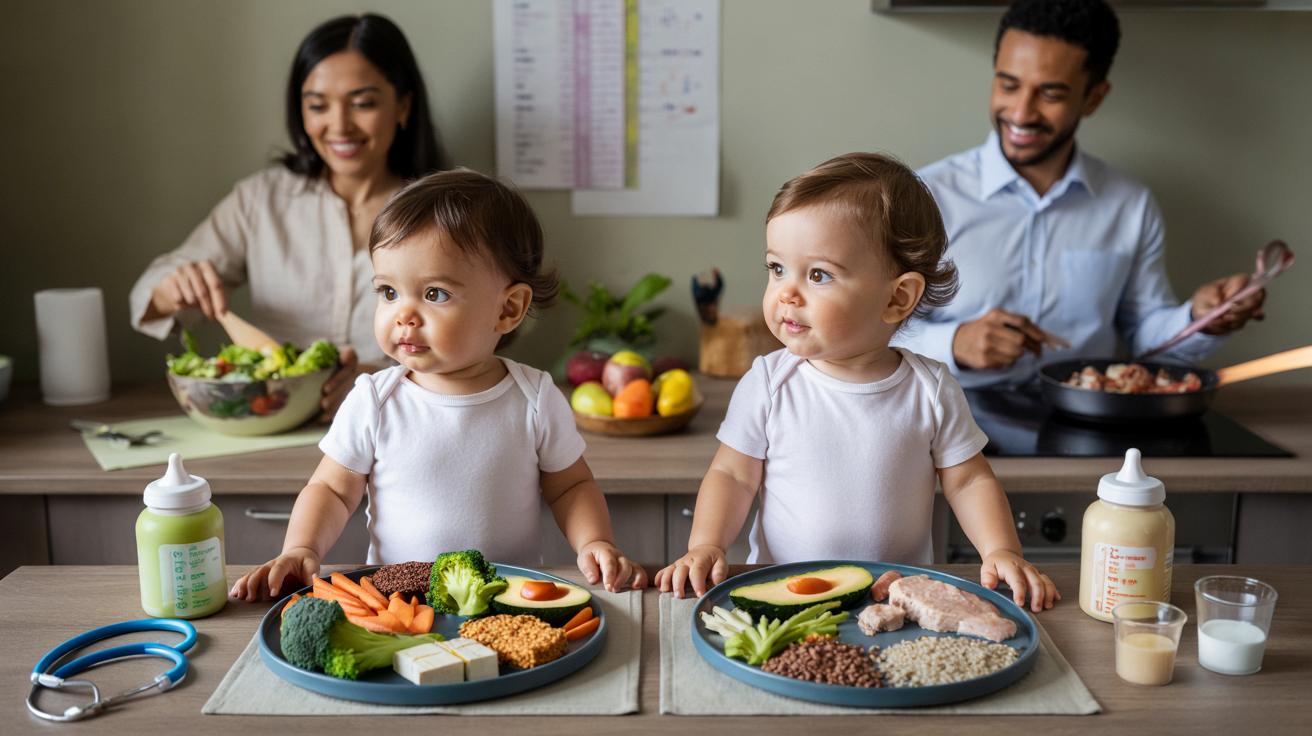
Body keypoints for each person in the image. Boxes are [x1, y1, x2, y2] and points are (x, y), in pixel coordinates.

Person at [656, 153, 1058, 613]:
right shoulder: (769, 382)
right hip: (786, 597)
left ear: (897, 297)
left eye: (818, 275)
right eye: (776, 268)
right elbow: (732, 475)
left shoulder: (930, 388)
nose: (786, 292)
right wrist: (707, 544)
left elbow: (967, 481)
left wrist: (1000, 550)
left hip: (897, 603)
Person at [231, 170, 648, 601]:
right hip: (400, 603)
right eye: (388, 292)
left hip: (505, 599)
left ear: (508, 309)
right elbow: (332, 489)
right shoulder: (375, 399)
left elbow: (570, 486)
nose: (403, 315)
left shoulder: (535, 398)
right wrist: (301, 548)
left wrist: (596, 541)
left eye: (434, 294)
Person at [895, 0, 1265, 388]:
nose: (1021, 112)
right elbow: (875, 329)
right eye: (1008, 85)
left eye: (1050, 94)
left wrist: (1201, 317)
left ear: (1093, 98)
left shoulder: (1130, 206)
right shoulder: (926, 196)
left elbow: (1148, 342)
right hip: (947, 423)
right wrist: (954, 343)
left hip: (1090, 427)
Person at [129, 13, 450, 415]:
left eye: (363, 103)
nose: (339, 126)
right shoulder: (260, 201)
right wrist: (171, 288)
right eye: (318, 106)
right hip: (275, 432)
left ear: (403, 105)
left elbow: (492, 329)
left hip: (408, 425)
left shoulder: (450, 205)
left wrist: (381, 379)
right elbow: (147, 298)